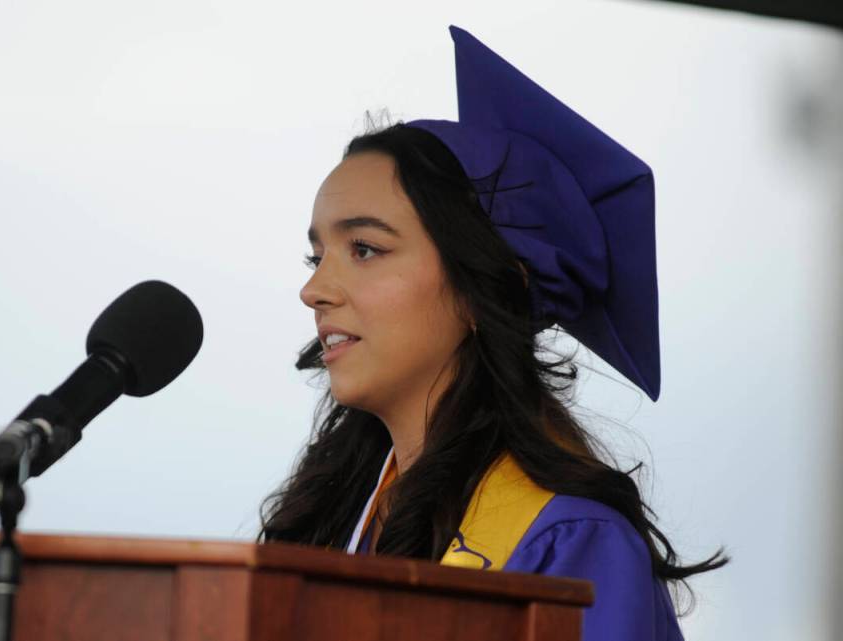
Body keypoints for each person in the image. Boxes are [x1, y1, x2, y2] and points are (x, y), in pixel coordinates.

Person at [258, 26, 726, 641]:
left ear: (489, 284)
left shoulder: (570, 547)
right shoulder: (341, 526)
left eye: (366, 249)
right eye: (316, 257)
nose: (315, 290)